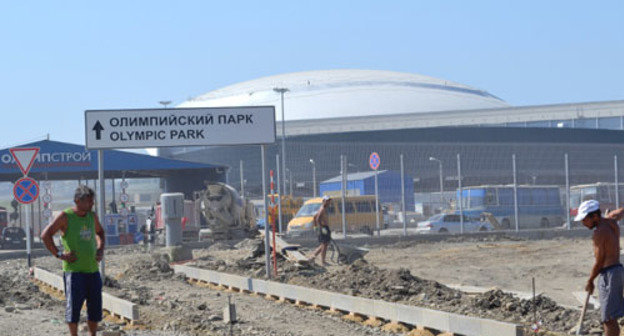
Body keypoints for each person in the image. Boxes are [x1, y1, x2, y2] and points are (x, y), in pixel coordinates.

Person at [41, 185, 105, 336]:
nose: (92, 204)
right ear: (77, 201)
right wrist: (60, 254)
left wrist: (100, 249)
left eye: (92, 201)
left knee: (95, 308)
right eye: (89, 201)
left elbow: (100, 232)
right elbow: (45, 235)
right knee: (73, 309)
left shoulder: (92, 216)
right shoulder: (65, 216)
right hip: (74, 273)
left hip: (93, 271)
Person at [577, 199, 624, 336]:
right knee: (612, 315)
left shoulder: (599, 233)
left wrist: (590, 280)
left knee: (609, 318)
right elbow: (619, 213)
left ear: (595, 216)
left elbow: (599, 261)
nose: (583, 223)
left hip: (609, 274)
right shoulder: (611, 221)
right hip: (618, 270)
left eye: (585, 219)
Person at [308, 196, 332, 265]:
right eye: (327, 201)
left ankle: (312, 257)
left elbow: (314, 217)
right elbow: (317, 218)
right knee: (324, 245)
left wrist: (316, 226)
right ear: (324, 201)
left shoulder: (322, 209)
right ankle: (323, 261)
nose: (328, 202)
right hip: (323, 228)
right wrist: (322, 227)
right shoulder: (322, 209)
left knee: (324, 244)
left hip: (324, 227)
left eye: (329, 201)